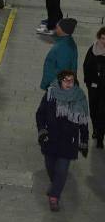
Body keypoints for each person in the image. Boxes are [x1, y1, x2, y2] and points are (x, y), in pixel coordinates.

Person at [36, 70, 89, 212]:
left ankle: (54, 197)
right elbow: (40, 114)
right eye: (66, 80)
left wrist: (84, 141)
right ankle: (55, 185)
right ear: (60, 81)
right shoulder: (50, 95)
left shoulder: (79, 98)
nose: (69, 83)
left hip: (68, 142)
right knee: (50, 167)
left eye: (71, 80)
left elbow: (83, 122)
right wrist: (42, 131)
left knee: (62, 170)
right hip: (51, 140)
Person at [40, 18, 78, 91]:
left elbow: (62, 72)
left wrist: (49, 85)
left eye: (57, 27)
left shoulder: (64, 48)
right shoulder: (65, 40)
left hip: (56, 86)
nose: (55, 29)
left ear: (63, 30)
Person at [83, 27, 105, 149]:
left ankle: (101, 136)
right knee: (94, 109)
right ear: (99, 37)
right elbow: (86, 65)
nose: (104, 41)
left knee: (103, 112)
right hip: (93, 87)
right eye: (102, 38)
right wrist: (88, 81)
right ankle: (96, 129)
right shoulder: (93, 49)